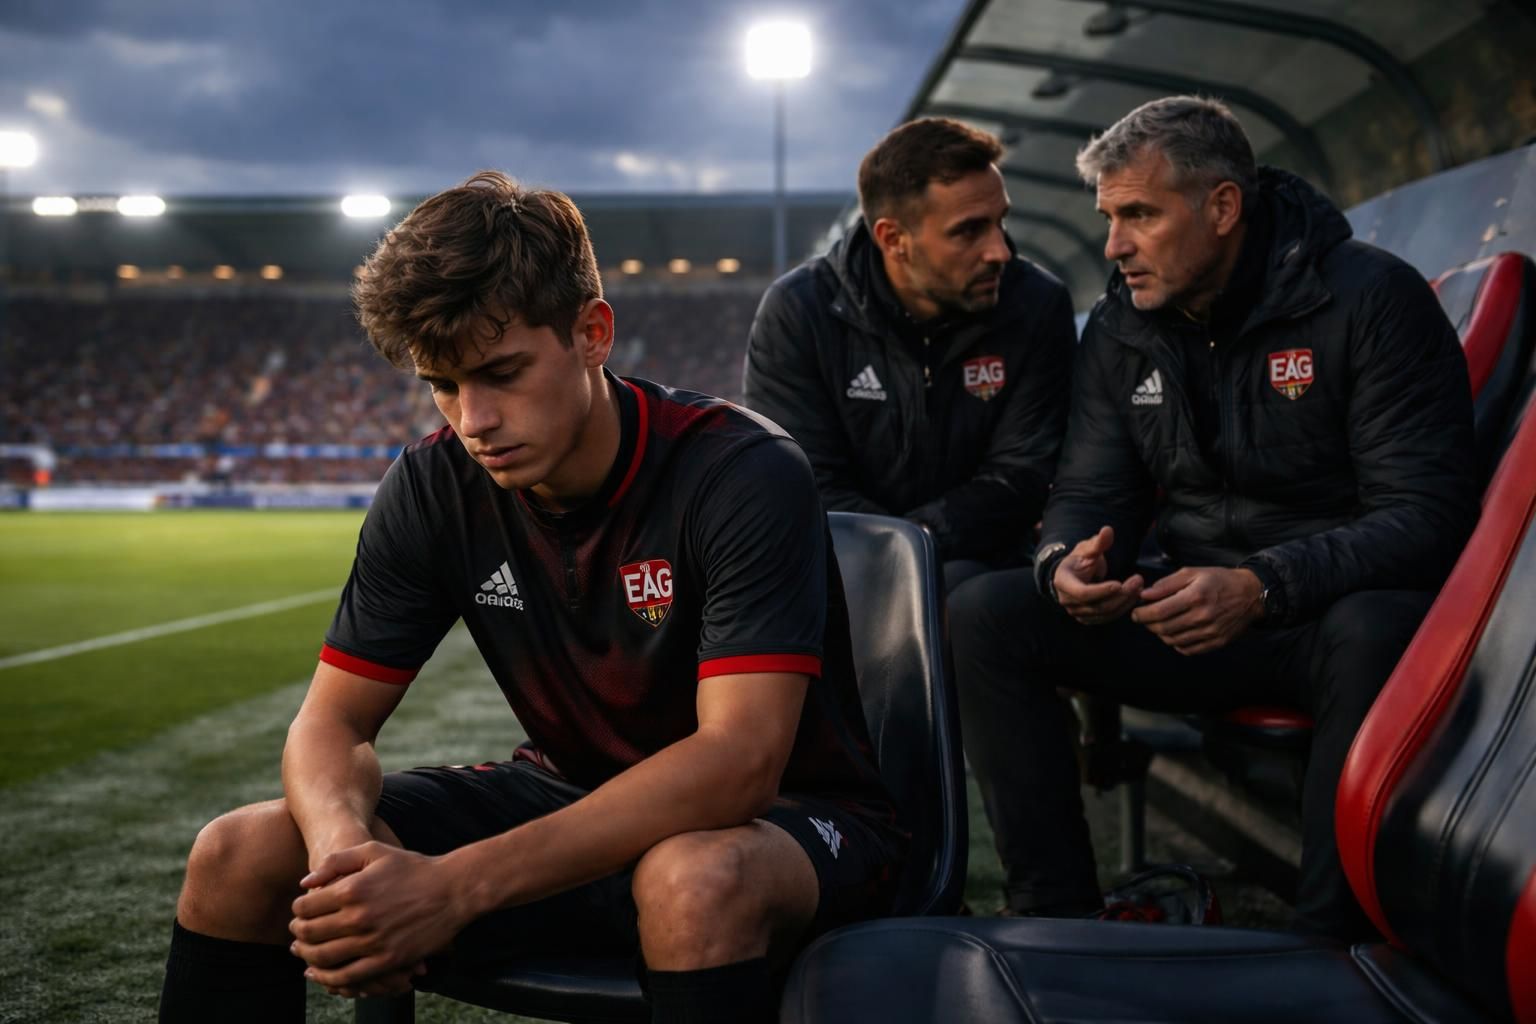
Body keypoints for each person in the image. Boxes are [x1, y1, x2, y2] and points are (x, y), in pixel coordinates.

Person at [157, 171, 904, 1024]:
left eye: (501, 373)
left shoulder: (739, 471)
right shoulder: (433, 484)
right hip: (571, 801)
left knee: (693, 880)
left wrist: (451, 887)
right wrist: (347, 862)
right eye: (442, 383)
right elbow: (330, 725)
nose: (472, 420)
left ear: (592, 333)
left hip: (789, 824)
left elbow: (738, 763)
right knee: (241, 851)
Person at [949, 96, 1478, 938]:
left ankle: (1331, 940)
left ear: (1223, 207)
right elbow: (1088, 492)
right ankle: (1058, 913)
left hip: (1318, 620)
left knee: (1377, 626)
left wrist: (1263, 584)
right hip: (1191, 616)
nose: (1115, 245)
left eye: (1139, 216)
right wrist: (1064, 566)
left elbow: (1429, 517)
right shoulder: (1123, 327)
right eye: (1109, 218)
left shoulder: (1372, 299)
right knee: (987, 612)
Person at [742, 117, 1076, 591]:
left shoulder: (1038, 304)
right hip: (846, 568)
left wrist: (917, 546)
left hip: (987, 561)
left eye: (1001, 222)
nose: (999, 251)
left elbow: (1022, 474)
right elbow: (805, 481)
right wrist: (904, 555)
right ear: (893, 239)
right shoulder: (800, 311)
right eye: (969, 231)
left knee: (971, 602)